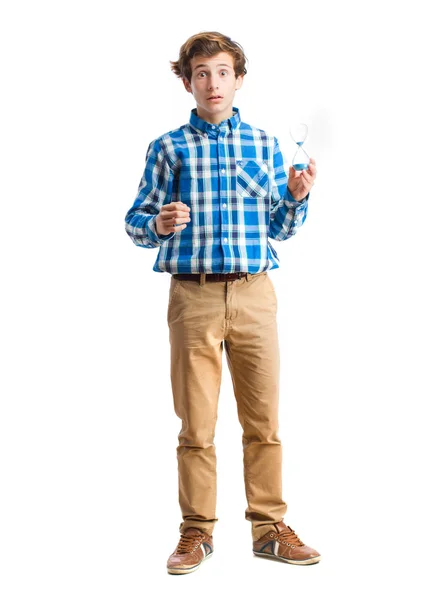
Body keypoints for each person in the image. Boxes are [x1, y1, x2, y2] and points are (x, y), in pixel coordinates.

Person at [124, 31, 320, 575]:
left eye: (223, 71)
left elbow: (279, 226)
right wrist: (157, 224)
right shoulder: (168, 147)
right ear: (186, 82)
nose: (213, 83)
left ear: (239, 78)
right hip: (194, 297)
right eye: (202, 73)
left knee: (265, 421)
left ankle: (269, 528)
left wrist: (298, 200)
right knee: (196, 425)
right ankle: (196, 532)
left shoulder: (262, 143)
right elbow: (135, 221)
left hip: (256, 293)